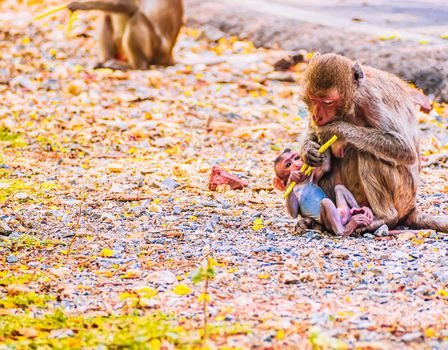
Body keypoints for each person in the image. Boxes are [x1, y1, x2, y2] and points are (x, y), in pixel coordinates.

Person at [273, 148, 373, 236]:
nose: (296, 164)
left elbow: (324, 165)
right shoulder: (295, 191)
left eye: (296, 158)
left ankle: (358, 211)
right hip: (329, 221)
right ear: (283, 181)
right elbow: (293, 213)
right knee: (325, 202)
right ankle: (342, 231)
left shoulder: (311, 178)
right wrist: (290, 183)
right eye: (288, 165)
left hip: (340, 212)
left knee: (339, 188)